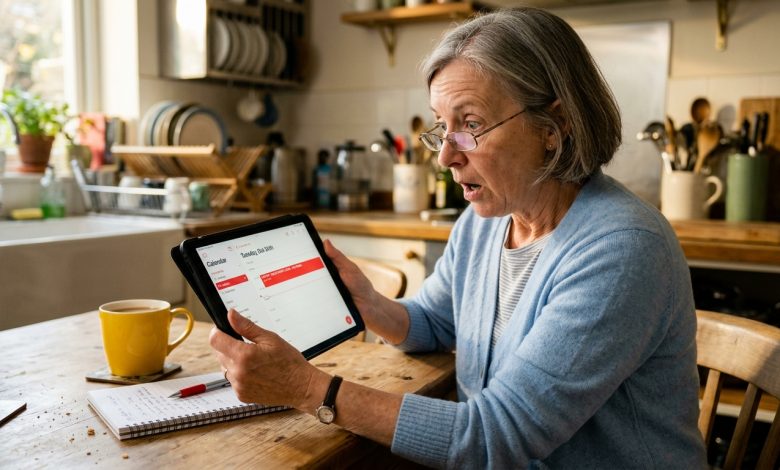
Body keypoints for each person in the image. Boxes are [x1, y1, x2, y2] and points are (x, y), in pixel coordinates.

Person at [210, 7, 707, 469]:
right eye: (441, 127)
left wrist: (306, 388)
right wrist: (370, 304)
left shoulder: (621, 249)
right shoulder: (486, 220)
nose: (446, 156)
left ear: (554, 126)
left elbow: (495, 437)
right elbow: (436, 322)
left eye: (471, 125)